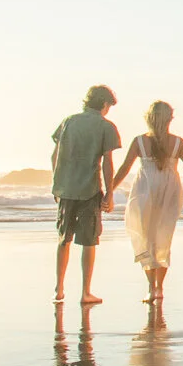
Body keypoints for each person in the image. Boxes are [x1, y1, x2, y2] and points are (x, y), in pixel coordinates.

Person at [109, 101, 183, 302]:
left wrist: (108, 191)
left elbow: (124, 169)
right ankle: (159, 287)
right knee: (164, 237)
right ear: (170, 118)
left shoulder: (139, 141)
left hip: (145, 189)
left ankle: (151, 287)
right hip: (169, 189)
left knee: (146, 238)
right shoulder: (178, 142)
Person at [51, 85, 122, 304]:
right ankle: (85, 292)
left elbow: (54, 156)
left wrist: (57, 183)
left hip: (65, 188)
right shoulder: (105, 126)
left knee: (64, 239)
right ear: (104, 104)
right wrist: (110, 194)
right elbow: (107, 163)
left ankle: (60, 289)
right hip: (89, 190)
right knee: (89, 241)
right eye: (109, 106)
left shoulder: (68, 122)